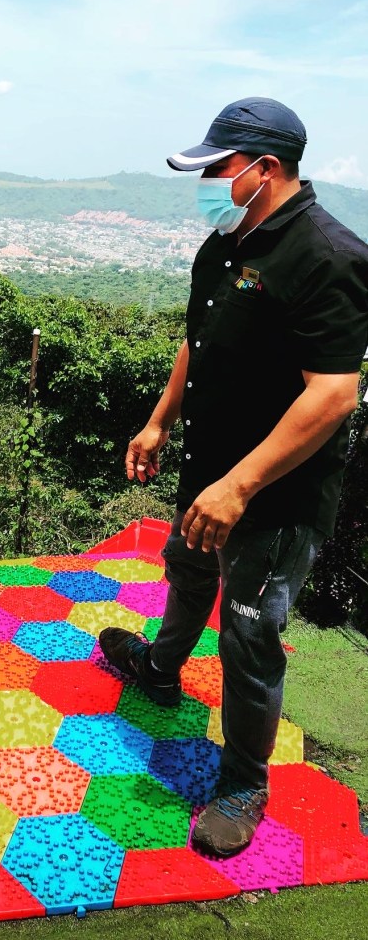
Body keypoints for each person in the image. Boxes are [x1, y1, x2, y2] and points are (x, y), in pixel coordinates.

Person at [98, 97, 368, 857]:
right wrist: (160, 419)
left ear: (265, 168)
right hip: (210, 469)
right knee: (186, 568)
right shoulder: (225, 242)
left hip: (274, 497)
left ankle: (244, 782)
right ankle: (160, 667)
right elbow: (199, 341)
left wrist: (240, 486)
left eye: (217, 168)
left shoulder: (327, 255)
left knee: (250, 633)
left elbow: (332, 393)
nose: (207, 183)